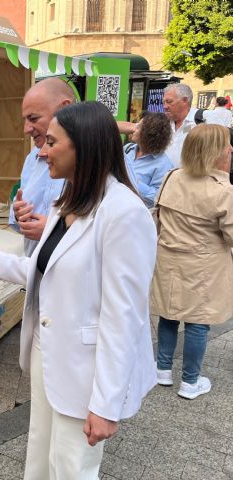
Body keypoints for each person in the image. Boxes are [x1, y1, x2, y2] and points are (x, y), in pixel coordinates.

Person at [0, 102, 157, 479]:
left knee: (71, 467)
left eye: (50, 141)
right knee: (41, 455)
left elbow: (123, 317)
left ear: (84, 147)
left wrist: (106, 404)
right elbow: (50, 272)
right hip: (50, 357)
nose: (41, 151)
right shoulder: (68, 202)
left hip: (86, 369)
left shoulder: (124, 214)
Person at [150, 124, 233, 399]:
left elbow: (158, 217)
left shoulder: (172, 177)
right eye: (226, 145)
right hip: (204, 266)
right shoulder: (223, 190)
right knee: (198, 322)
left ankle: (162, 369)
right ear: (215, 152)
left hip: (169, 260)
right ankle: (190, 381)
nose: (230, 149)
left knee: (169, 314)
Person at [8, 78, 75, 256]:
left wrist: (54, 229)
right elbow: (18, 218)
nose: (26, 129)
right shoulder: (32, 159)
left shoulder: (101, 159)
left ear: (64, 109)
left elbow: (111, 229)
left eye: (33, 118)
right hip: (35, 274)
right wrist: (18, 213)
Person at [123, 112, 174, 207]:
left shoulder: (163, 164)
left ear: (148, 134)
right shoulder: (128, 149)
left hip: (137, 213)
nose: (134, 129)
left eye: (139, 127)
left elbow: (157, 198)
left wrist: (133, 181)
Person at [162, 83, 196, 167]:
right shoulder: (163, 123)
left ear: (184, 100)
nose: (165, 106)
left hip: (189, 178)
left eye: (169, 101)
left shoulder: (199, 122)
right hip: (163, 178)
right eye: (163, 102)